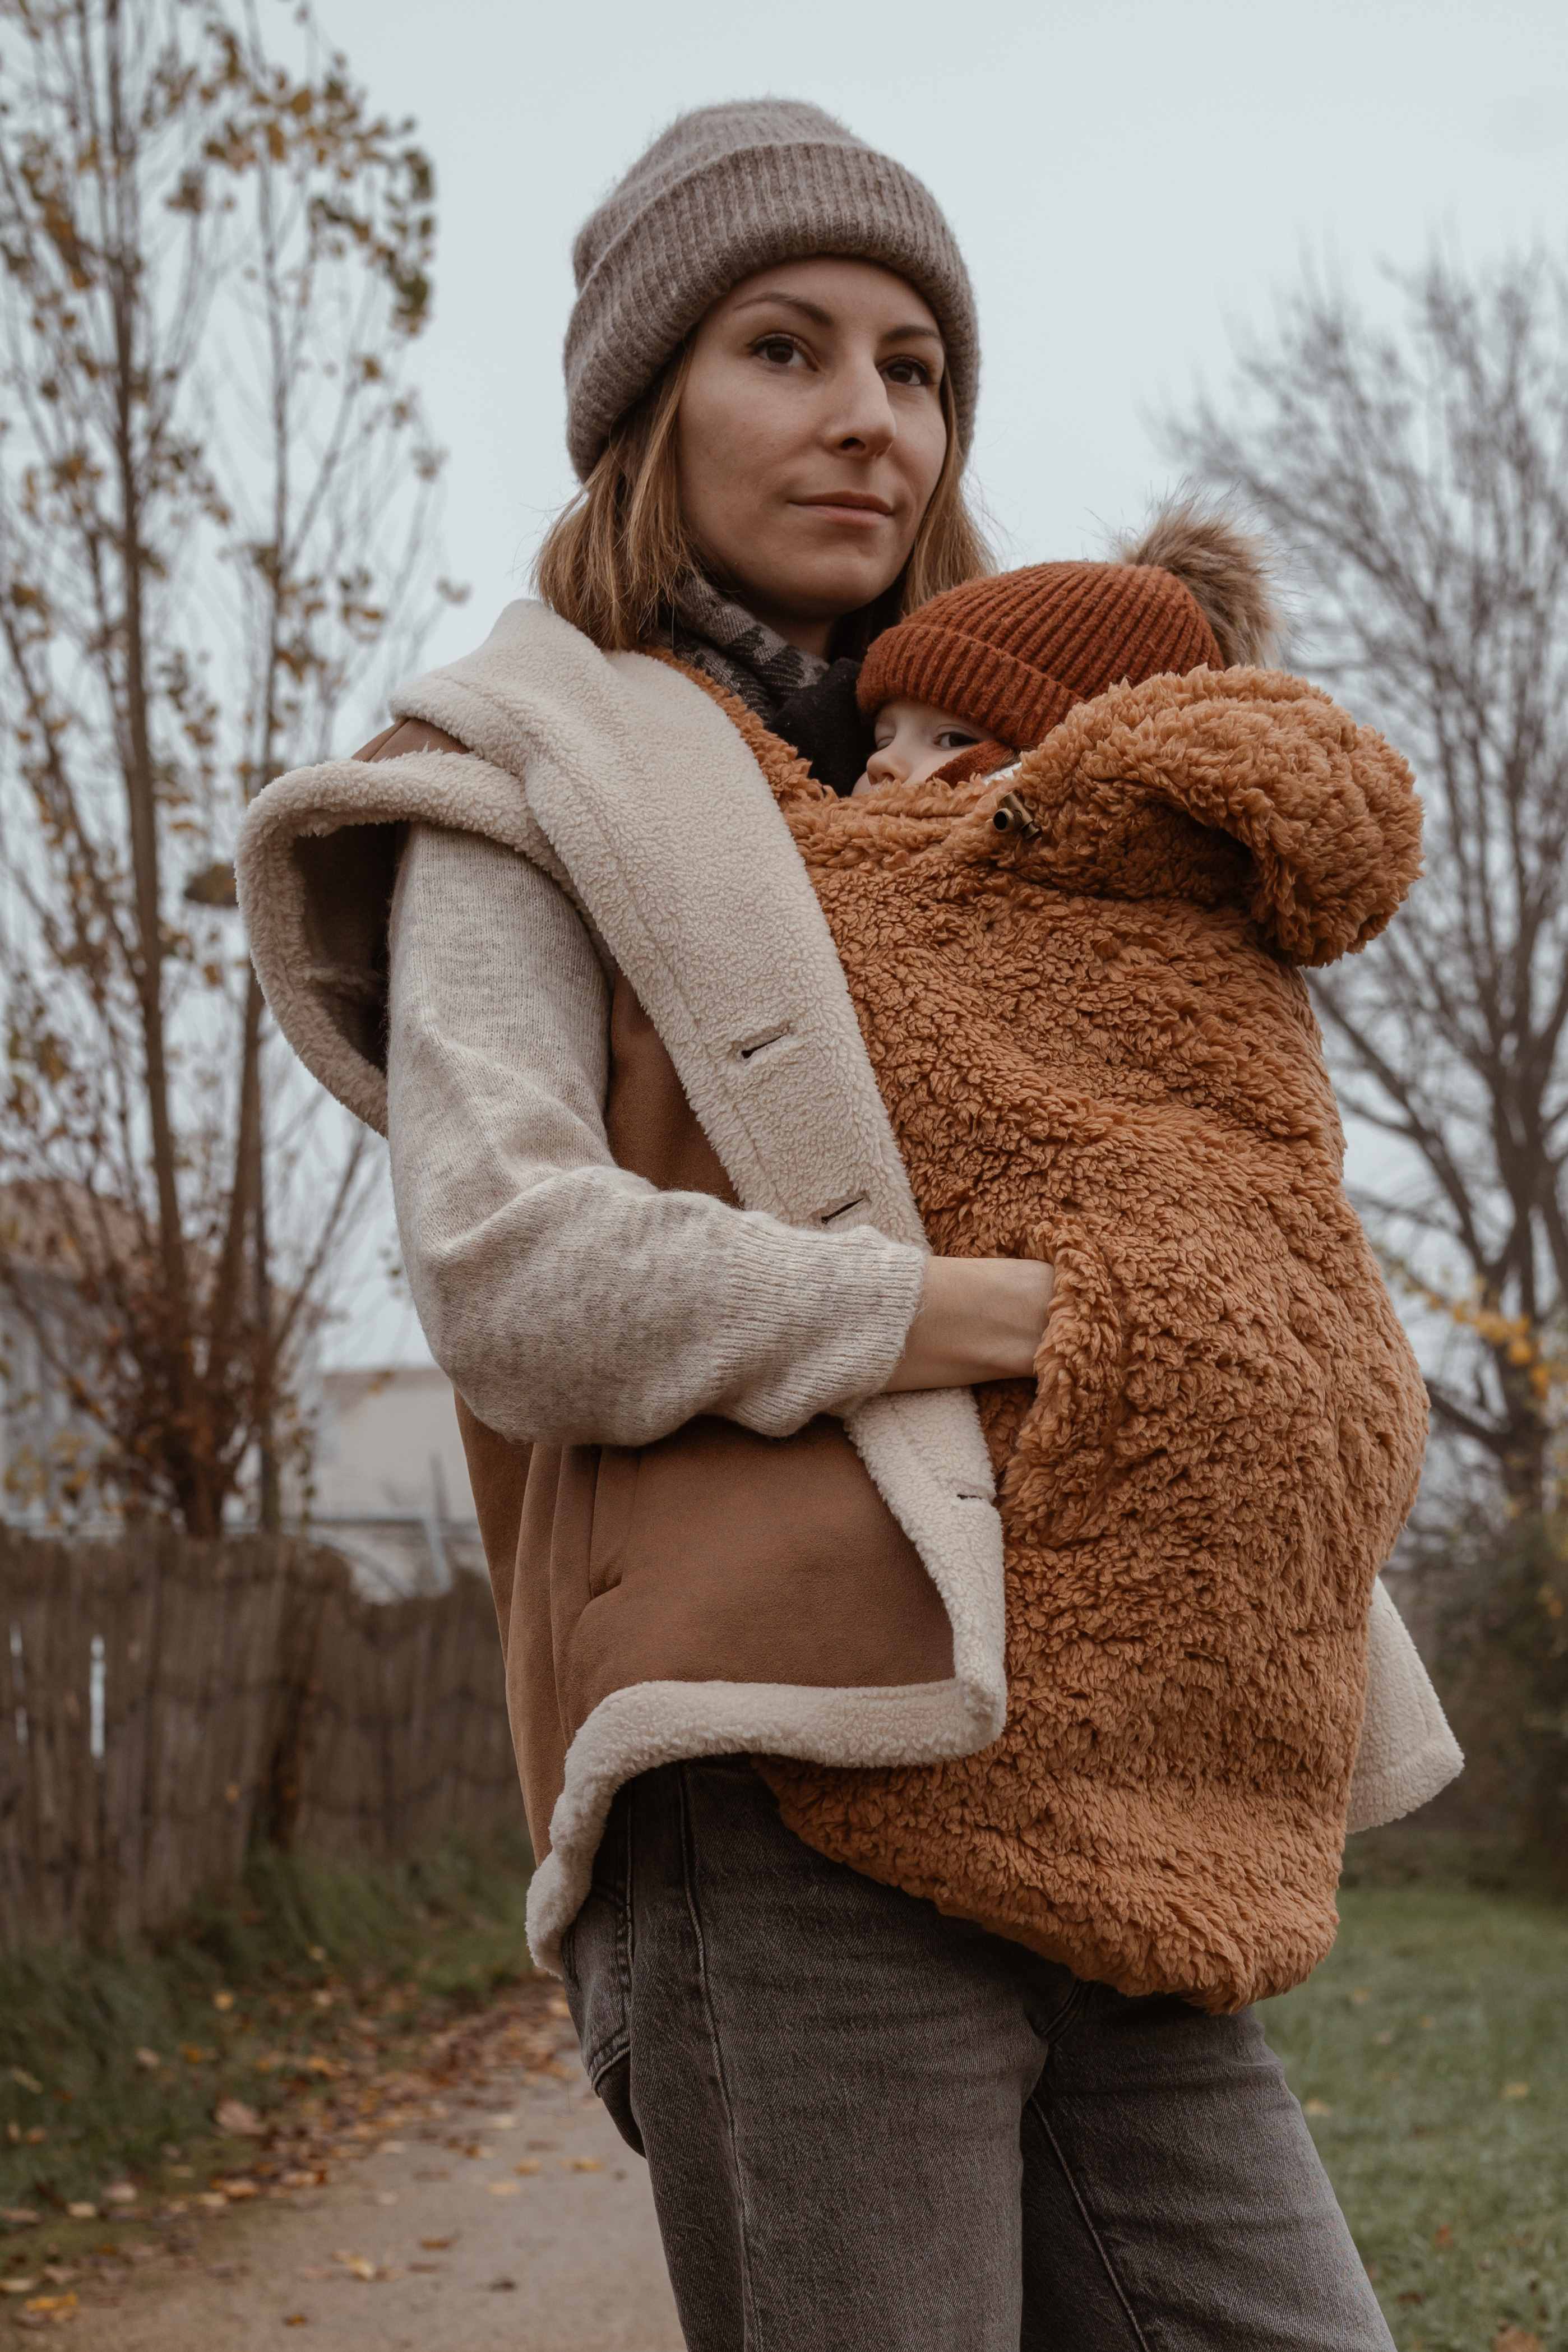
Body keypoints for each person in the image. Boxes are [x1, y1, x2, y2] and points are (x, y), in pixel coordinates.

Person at [238, 99, 1460, 2352]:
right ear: (645, 406)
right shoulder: (514, 795)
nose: (865, 420)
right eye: (784, 350)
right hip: (780, 1785)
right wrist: (969, 1314)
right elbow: (509, 1264)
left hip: (1104, 1785)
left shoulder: (1028, 782)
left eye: (914, 368)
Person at [748, 515, 1431, 2013]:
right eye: (880, 729)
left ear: (1052, 774)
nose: (882, 765)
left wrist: (731, 772)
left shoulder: (1030, 900)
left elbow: (777, 910)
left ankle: (1143, 1824)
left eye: (948, 734)